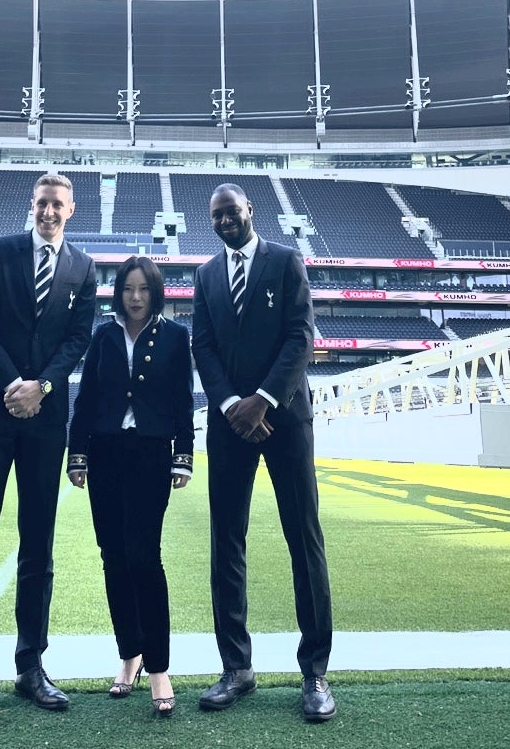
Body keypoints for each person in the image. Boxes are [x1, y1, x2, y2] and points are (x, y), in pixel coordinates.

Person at [0, 173, 97, 721]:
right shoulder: (0, 251)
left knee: (39, 545)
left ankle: (31, 665)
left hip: (45, 419)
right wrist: (14, 386)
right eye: (41, 203)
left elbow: (78, 338)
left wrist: (43, 387)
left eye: (57, 204)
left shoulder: (82, 267)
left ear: (71, 210)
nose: (48, 211)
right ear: (31, 207)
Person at [191, 183, 336, 723]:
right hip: (230, 425)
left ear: (250, 211)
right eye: (216, 216)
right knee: (226, 541)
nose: (225, 221)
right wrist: (232, 404)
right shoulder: (206, 275)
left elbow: (301, 336)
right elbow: (201, 345)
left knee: (304, 536)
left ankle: (315, 671)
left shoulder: (286, 261)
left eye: (232, 212)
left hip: (286, 419)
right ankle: (237, 667)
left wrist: (263, 400)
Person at [67, 256, 194, 717]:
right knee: (113, 558)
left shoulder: (177, 337)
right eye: (127, 289)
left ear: (155, 291)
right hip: (104, 455)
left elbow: (182, 399)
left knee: (144, 556)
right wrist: (76, 454)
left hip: (151, 455)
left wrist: (183, 457)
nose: (135, 297)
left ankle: (159, 666)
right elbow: (87, 397)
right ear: (117, 292)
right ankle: (129, 656)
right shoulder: (103, 334)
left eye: (143, 289)